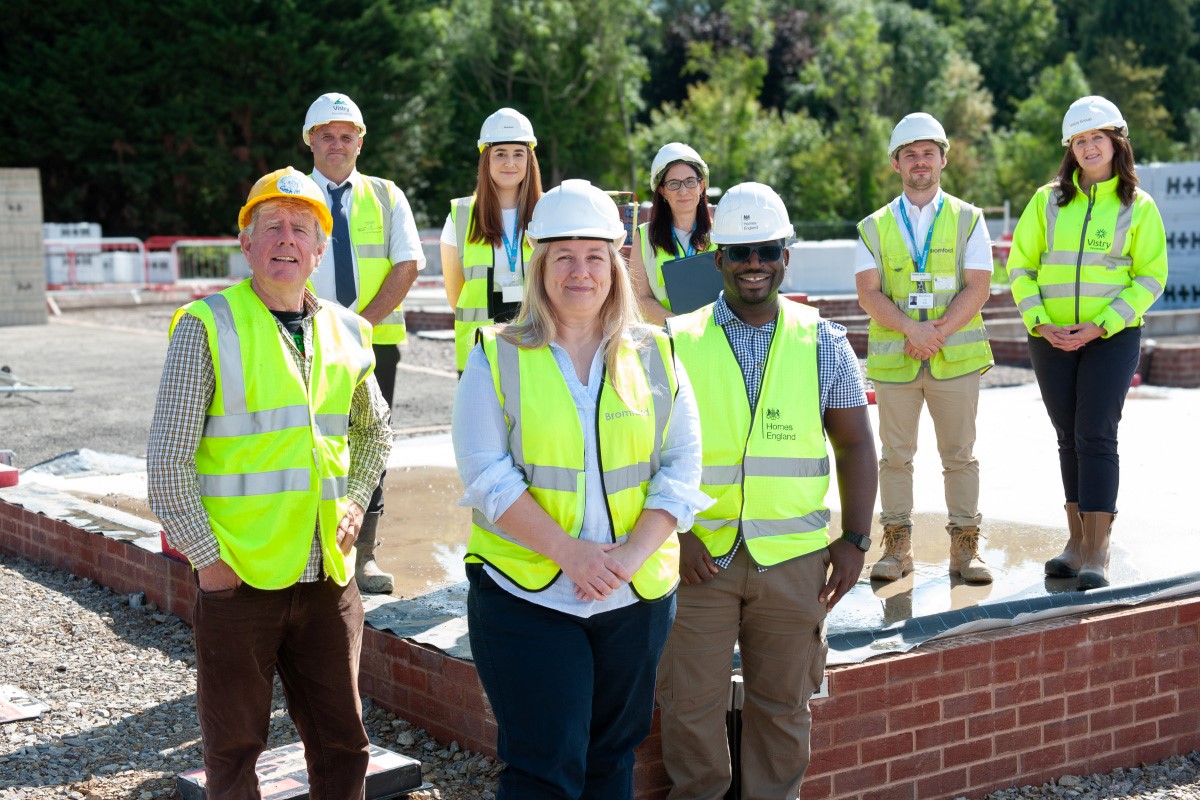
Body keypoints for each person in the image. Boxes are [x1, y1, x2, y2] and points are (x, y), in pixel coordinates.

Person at [451, 179, 711, 799]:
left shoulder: (656, 354)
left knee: (611, 759)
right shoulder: (497, 355)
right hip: (529, 596)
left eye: (595, 256)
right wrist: (572, 555)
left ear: (617, 267)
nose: (580, 271)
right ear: (539, 266)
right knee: (545, 766)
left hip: (633, 596)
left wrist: (625, 559)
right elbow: (485, 474)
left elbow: (681, 468)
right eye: (563, 255)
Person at [147, 167, 393, 799]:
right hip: (238, 580)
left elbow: (374, 434)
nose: (287, 239)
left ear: (319, 250)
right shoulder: (208, 326)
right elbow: (166, 462)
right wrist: (209, 562)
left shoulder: (349, 331)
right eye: (272, 226)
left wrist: (357, 501)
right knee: (233, 754)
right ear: (246, 244)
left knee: (344, 745)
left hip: (327, 578)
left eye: (302, 229)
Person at [659, 182, 877, 800]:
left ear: (786, 256)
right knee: (689, 707)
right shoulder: (676, 340)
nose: (754, 263)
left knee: (783, 709)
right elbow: (646, 452)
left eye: (767, 251)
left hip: (793, 563)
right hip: (700, 561)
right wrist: (675, 536)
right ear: (718, 259)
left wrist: (856, 541)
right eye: (740, 251)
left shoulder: (823, 341)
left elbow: (856, 445)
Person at [1007, 95, 1167, 591]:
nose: (1089, 147)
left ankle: (1098, 548)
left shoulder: (1137, 207)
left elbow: (1151, 277)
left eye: (1097, 138)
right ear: (1070, 149)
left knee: (1096, 432)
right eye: (1080, 140)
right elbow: (1020, 267)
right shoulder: (1046, 200)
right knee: (1067, 435)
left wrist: (1101, 325)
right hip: (1050, 338)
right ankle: (1075, 543)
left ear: (1117, 142)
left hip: (1110, 338)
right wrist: (1040, 322)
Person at [854, 112, 996, 585]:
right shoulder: (873, 226)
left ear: (942, 160)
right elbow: (868, 292)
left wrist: (933, 333)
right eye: (910, 154)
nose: (920, 162)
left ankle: (966, 549)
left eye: (928, 153)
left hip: (954, 358)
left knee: (959, 455)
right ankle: (897, 548)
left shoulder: (969, 219)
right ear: (896, 163)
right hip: (898, 362)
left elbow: (978, 286)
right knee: (895, 457)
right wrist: (911, 332)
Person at [303, 91, 425, 593]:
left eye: (346, 136)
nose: (338, 144)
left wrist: (358, 327)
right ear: (310, 141)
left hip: (374, 346)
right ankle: (309, 547)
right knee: (309, 443)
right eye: (327, 136)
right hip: (304, 341)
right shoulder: (291, 194)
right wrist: (319, 326)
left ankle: (363, 555)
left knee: (369, 444)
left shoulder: (387, 194)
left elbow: (407, 265)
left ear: (360, 142)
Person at [441, 107, 543, 373]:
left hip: (541, 345)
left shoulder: (549, 212)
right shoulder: (461, 216)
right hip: (479, 351)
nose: (510, 162)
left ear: (529, 160)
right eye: (500, 154)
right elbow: (456, 297)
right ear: (485, 159)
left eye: (518, 153)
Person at [628, 142, 716, 324]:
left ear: (701, 186)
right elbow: (639, 298)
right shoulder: (644, 236)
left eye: (690, 182)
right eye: (674, 184)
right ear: (662, 191)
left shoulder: (722, 234)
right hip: (664, 342)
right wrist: (680, 328)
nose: (683, 191)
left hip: (714, 338)